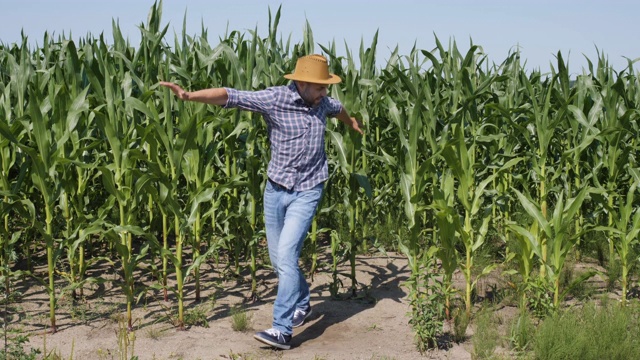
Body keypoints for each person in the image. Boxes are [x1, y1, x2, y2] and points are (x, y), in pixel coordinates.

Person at [159, 54, 363, 350]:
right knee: (278, 259)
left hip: (308, 190)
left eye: (325, 88)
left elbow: (340, 109)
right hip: (276, 190)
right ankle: (303, 303)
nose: (324, 94)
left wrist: (352, 122)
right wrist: (190, 96)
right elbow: (232, 96)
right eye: (319, 88)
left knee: (287, 254)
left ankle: (282, 330)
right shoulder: (275, 99)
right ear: (303, 83)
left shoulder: (323, 103)